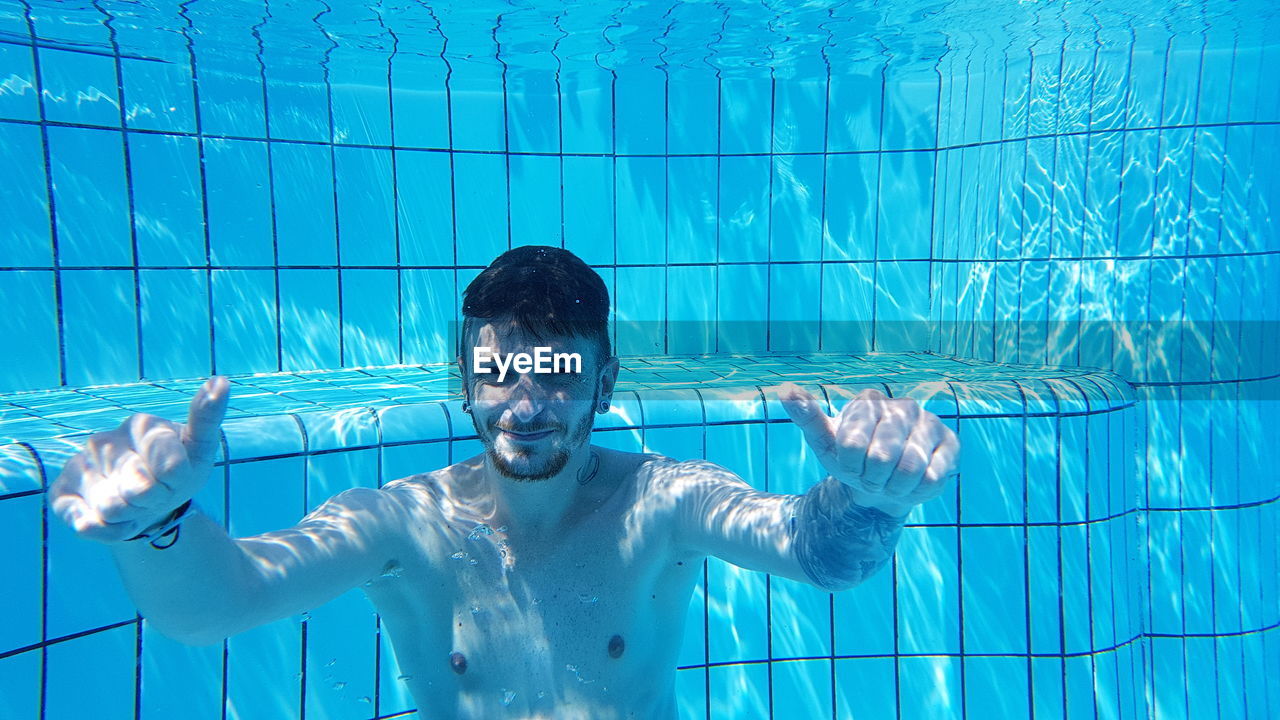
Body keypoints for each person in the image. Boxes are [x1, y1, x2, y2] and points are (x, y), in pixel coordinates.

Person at [49, 245, 960, 720]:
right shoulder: (402, 525)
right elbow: (216, 605)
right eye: (498, 373)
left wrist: (870, 498)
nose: (526, 406)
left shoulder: (667, 502)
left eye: (560, 371)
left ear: (605, 382)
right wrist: (158, 528)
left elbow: (815, 551)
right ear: (466, 383)